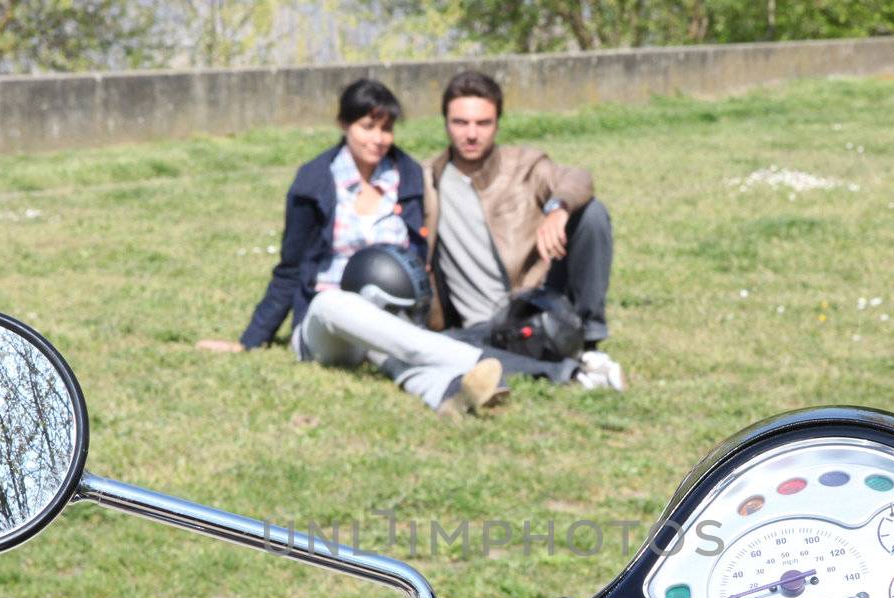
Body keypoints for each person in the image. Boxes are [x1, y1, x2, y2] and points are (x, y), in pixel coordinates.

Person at [199, 78, 507, 417]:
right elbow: (290, 268)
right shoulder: (314, 181)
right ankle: (466, 357)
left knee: (390, 347)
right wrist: (250, 341)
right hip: (327, 324)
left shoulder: (407, 176)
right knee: (335, 303)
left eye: (387, 129)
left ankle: (447, 395)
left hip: (390, 319)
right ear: (344, 124)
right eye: (367, 126)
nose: (378, 139)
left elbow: (419, 254)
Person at [427, 70, 623, 389]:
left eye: (483, 123)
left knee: (592, 213)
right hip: (483, 325)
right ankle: (568, 371)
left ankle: (588, 345)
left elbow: (577, 178)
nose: (471, 134)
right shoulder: (427, 180)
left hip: (538, 305)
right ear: (446, 122)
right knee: (440, 346)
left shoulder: (525, 167)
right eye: (460, 123)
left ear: (498, 123)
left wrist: (557, 208)